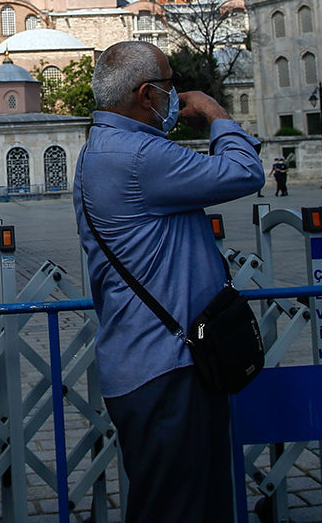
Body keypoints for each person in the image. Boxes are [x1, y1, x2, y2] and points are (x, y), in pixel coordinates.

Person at [74, 41, 264, 523]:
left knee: (189, 500)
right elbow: (244, 172)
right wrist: (218, 114)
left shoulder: (108, 149)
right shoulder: (138, 155)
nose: (179, 96)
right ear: (146, 95)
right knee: (178, 508)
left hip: (153, 359)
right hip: (167, 366)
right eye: (171, 85)